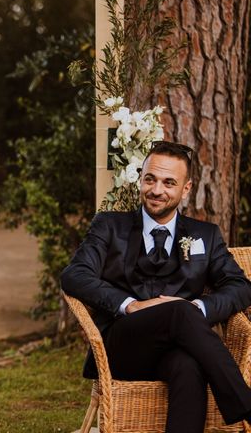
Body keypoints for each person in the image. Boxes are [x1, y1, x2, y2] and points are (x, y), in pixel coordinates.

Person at [61, 140, 251, 432]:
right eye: (150, 179)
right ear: (141, 179)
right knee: (178, 312)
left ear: (186, 189)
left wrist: (198, 308)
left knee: (188, 366)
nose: (156, 190)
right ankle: (246, 408)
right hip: (123, 347)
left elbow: (240, 286)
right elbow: (74, 275)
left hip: (178, 348)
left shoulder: (205, 235)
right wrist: (131, 305)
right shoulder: (110, 226)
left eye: (168, 182)